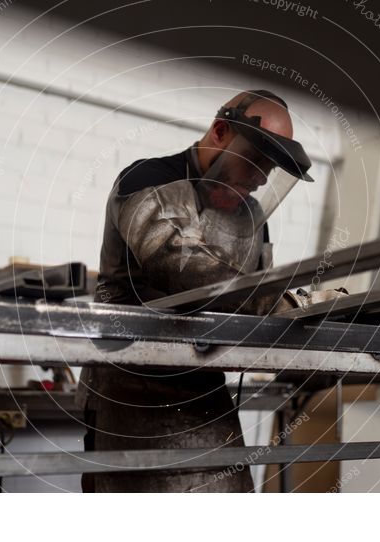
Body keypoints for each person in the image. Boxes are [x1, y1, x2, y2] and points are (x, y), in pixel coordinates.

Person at [77, 89, 316, 492]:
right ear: (220, 132)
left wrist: (315, 315)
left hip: (204, 386)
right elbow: (187, 274)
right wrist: (290, 304)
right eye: (255, 161)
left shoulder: (252, 215)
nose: (260, 179)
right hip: (129, 385)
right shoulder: (148, 179)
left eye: (270, 169)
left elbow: (255, 303)